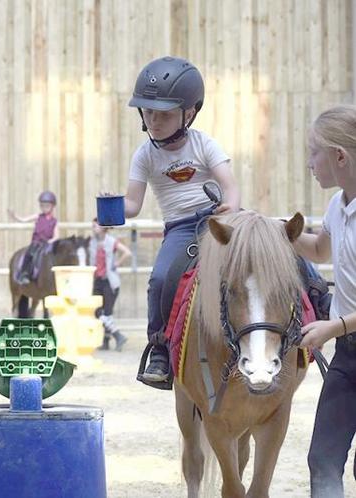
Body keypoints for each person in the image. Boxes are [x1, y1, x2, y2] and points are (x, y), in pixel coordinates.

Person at [114, 56, 241, 388]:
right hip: (182, 227)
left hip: (217, 218)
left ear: (189, 113)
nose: (154, 121)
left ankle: (313, 296)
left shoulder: (204, 144)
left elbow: (230, 188)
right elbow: (133, 205)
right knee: (159, 279)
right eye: (148, 112)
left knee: (271, 242)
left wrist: (230, 210)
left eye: (164, 114)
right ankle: (159, 348)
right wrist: (110, 209)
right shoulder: (145, 155)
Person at [293, 104, 356, 498]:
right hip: (348, 356)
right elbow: (318, 248)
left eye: (314, 152)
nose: (310, 163)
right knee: (323, 460)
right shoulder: (339, 205)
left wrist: (334, 326)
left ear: (340, 156)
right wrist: (272, 229)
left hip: (343, 334)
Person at [89, 218, 132, 351]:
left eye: (95, 226)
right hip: (97, 280)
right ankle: (117, 335)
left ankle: (106, 341)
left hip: (109, 281)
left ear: (103, 227)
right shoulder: (93, 242)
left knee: (107, 313)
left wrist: (116, 264)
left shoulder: (111, 241)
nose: (93, 228)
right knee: (97, 310)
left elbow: (127, 252)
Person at [8, 191, 59, 285]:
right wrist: (14, 216)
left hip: (47, 244)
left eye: (47, 206)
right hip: (36, 242)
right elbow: (23, 220)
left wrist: (50, 241)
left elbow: (56, 236)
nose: (44, 208)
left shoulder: (54, 221)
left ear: (52, 206)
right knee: (29, 254)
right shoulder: (38, 216)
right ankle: (24, 274)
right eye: (42, 206)